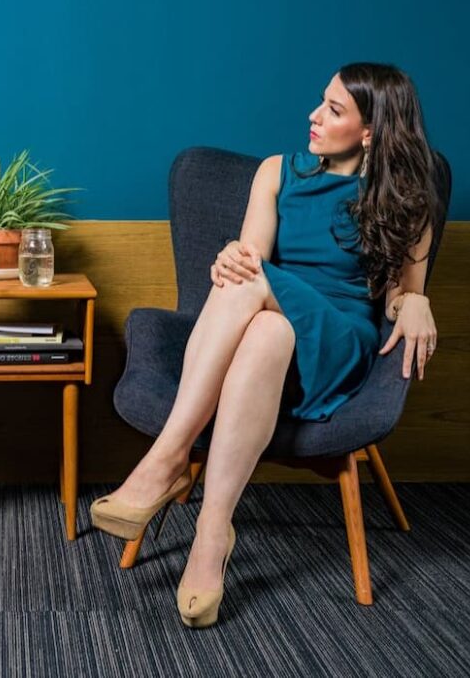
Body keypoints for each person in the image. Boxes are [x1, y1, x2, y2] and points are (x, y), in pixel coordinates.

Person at [90, 62, 442, 628]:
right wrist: (231, 257)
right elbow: (248, 258)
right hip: (274, 333)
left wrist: (416, 301)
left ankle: (167, 458)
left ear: (371, 130)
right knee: (263, 318)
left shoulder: (407, 199)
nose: (313, 115)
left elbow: (401, 295)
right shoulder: (277, 172)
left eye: (333, 109)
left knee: (252, 284)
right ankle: (212, 535)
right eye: (319, 101)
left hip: (340, 338)